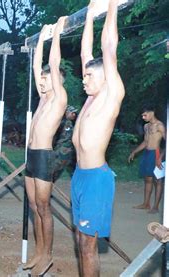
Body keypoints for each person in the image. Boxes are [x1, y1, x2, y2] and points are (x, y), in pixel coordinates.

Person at [72, 1, 125, 275]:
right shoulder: (90, 98)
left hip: (96, 180)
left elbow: (108, 49)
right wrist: (90, 16)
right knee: (81, 242)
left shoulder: (110, 95)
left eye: (89, 75)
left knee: (89, 246)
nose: (84, 79)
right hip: (79, 176)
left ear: (106, 77)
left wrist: (112, 6)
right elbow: (85, 53)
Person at [23, 17, 68, 276]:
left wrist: (57, 35)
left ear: (56, 80)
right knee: (33, 206)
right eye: (41, 78)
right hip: (31, 156)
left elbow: (53, 63)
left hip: (44, 157)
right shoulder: (43, 98)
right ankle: (39, 252)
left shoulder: (58, 99)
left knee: (43, 207)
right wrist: (41, 37)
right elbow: (36, 65)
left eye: (46, 77)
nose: (41, 79)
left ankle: (47, 256)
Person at [128, 105, 166, 213]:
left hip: (157, 153)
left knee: (158, 180)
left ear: (152, 112)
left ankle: (155, 207)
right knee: (148, 179)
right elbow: (145, 142)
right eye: (142, 116)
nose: (143, 117)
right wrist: (134, 151)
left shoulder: (160, 126)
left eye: (145, 115)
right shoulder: (146, 126)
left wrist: (160, 157)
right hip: (147, 153)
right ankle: (146, 204)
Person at [52, 105, 78, 182]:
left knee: (55, 172)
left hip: (62, 151)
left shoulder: (60, 122)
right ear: (66, 113)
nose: (74, 114)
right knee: (55, 171)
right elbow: (68, 138)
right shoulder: (68, 123)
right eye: (72, 113)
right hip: (63, 152)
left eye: (74, 113)